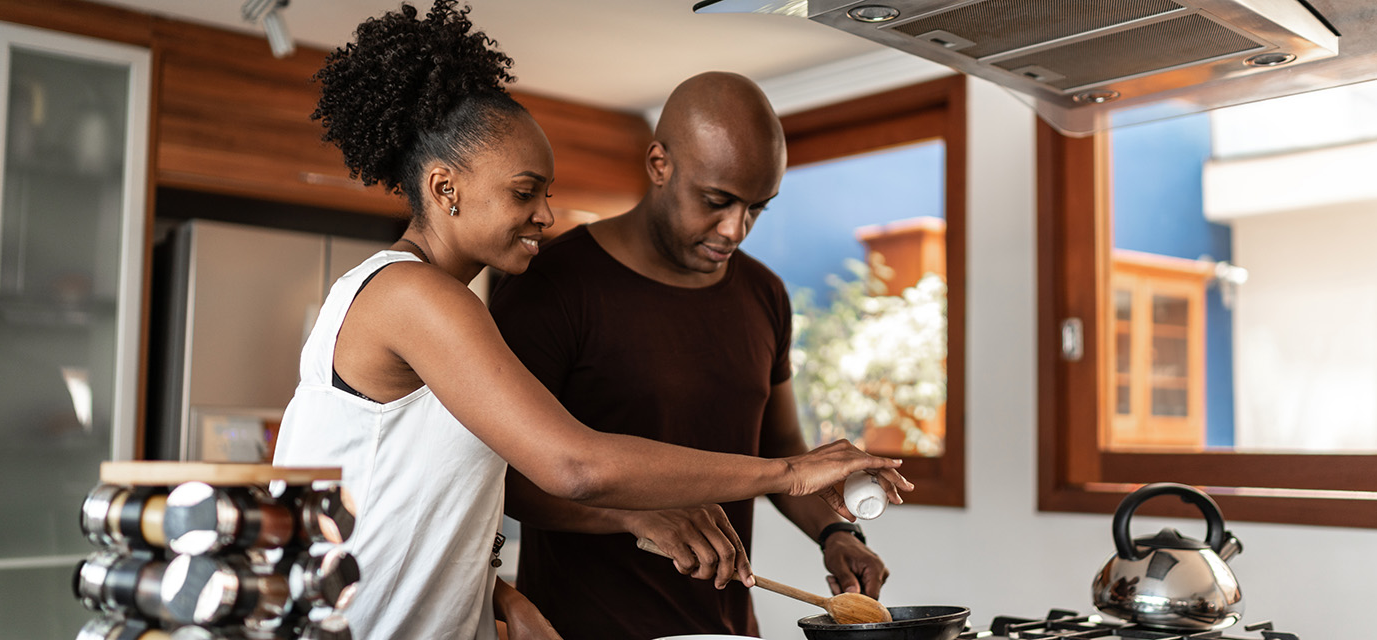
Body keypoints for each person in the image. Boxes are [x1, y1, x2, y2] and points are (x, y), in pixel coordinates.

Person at [271, 4, 911, 640]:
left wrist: (495, 593)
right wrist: (791, 472)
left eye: (546, 193)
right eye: (524, 192)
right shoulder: (412, 295)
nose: (546, 215)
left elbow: (410, 496)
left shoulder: (434, 301)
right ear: (445, 189)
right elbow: (572, 466)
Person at [489, 72, 903, 640]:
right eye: (717, 201)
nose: (736, 229)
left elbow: (778, 450)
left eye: (757, 208)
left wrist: (836, 534)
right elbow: (502, 475)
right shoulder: (552, 283)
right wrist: (634, 512)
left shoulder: (764, 293)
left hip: (726, 629)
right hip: (580, 628)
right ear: (659, 164)